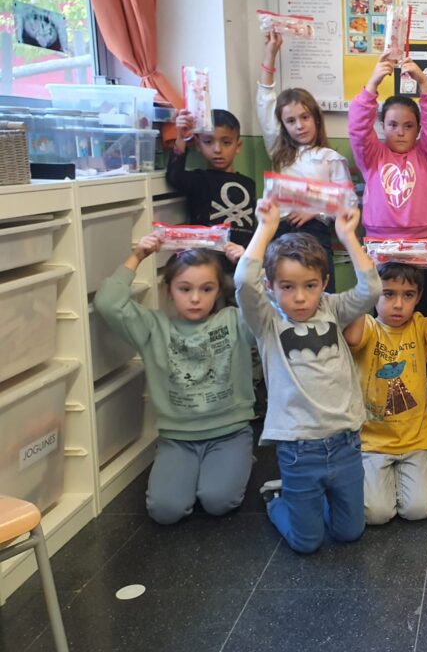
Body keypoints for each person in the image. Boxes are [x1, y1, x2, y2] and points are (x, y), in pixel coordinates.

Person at [235, 198, 381, 554]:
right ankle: (276, 502)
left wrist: (347, 235)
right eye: (287, 287)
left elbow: (371, 290)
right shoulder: (267, 321)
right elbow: (243, 282)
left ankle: (313, 503)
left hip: (345, 443)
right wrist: (266, 227)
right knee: (307, 542)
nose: (300, 298)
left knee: (350, 532)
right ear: (271, 286)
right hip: (299, 450)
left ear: (324, 282)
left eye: (310, 286)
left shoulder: (332, 307)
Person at [94, 238, 254, 525]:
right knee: (165, 511)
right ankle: (210, 468)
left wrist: (247, 266)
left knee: (218, 501)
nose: (195, 299)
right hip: (178, 439)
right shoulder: (153, 327)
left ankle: (237, 458)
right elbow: (107, 302)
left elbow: (273, 309)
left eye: (207, 289)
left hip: (230, 433)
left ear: (218, 290)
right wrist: (137, 255)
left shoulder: (235, 321)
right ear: (168, 289)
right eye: (185, 289)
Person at [343, 255, 427, 525]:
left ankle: (395, 478)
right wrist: (366, 277)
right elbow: (351, 338)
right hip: (373, 443)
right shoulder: (368, 327)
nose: (398, 304)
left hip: (414, 441)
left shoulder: (420, 327)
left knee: (418, 510)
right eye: (388, 294)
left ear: (418, 297)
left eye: (408, 295)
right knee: (377, 515)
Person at [348, 52, 427, 316]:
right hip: (380, 245)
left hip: (422, 246)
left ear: (418, 129)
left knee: (418, 316)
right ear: (382, 125)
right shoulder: (372, 156)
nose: (400, 132)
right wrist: (373, 83)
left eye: (408, 126)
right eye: (392, 125)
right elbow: (357, 128)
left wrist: (424, 83)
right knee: (380, 316)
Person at [257, 32, 352, 292]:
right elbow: (265, 103)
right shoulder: (279, 150)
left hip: (316, 231)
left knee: (320, 296)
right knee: (282, 295)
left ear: (316, 119)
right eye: (291, 121)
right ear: (283, 125)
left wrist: (317, 211)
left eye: (305, 117)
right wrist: (270, 53)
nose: (299, 125)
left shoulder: (331, 158)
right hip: (280, 230)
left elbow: (347, 202)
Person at [168, 108, 256, 248]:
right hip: (208, 255)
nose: (217, 150)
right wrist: (181, 137)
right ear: (198, 145)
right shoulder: (199, 180)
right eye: (208, 142)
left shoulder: (248, 184)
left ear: (238, 146)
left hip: (241, 255)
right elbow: (174, 176)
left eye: (226, 143)